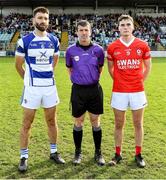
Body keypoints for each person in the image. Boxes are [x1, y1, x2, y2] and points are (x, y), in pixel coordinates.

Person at [15, 7, 65, 172]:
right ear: (33, 20)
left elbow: (55, 59)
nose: (42, 21)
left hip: (50, 88)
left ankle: (53, 152)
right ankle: (24, 157)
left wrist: (47, 74)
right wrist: (29, 81)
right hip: (32, 89)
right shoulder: (25, 41)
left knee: (52, 121)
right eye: (39, 18)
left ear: (48, 21)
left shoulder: (54, 40)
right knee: (27, 123)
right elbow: (18, 65)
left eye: (45, 18)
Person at [107, 15, 151, 168]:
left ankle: (138, 154)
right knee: (119, 124)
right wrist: (120, 81)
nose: (125, 27)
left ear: (133, 27)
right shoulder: (112, 47)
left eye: (128, 24)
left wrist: (139, 81)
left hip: (137, 91)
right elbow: (110, 69)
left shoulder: (142, 45)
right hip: (119, 91)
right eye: (122, 25)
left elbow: (148, 67)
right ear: (118, 28)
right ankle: (118, 154)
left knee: (138, 123)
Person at [65, 20, 105, 166]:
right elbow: (69, 69)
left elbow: (100, 69)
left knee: (95, 121)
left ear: (90, 31)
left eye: (86, 30)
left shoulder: (99, 50)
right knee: (78, 121)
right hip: (78, 90)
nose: (83, 33)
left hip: (94, 90)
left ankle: (98, 152)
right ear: (76, 32)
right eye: (80, 30)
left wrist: (90, 79)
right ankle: (78, 152)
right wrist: (79, 81)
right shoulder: (70, 50)